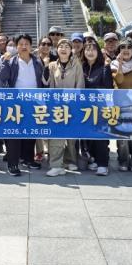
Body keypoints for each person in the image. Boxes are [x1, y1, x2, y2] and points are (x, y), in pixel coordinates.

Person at [0, 34, 44, 176]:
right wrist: (5, 62)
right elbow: (3, 77)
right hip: (15, 103)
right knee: (14, 134)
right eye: (21, 44)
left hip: (33, 102)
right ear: (16, 47)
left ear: (31, 46)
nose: (24, 47)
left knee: (30, 133)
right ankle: (13, 164)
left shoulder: (37, 62)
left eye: (26, 44)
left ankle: (28, 159)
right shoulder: (11, 61)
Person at [42, 38, 85, 176]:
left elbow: (80, 85)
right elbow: (47, 83)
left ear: (71, 50)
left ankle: (70, 160)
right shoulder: (52, 65)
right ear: (57, 50)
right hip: (57, 106)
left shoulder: (77, 64)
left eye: (67, 46)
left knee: (72, 137)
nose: (64, 49)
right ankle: (56, 165)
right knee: (57, 135)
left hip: (72, 105)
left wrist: (77, 103)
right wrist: (45, 66)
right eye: (61, 46)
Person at [82, 42, 113, 175]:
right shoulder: (81, 67)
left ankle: (103, 164)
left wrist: (107, 66)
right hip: (85, 108)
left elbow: (108, 87)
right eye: (87, 50)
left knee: (100, 136)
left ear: (98, 52)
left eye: (93, 49)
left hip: (100, 108)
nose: (90, 52)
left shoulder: (104, 67)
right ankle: (93, 159)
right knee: (88, 135)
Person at [112, 39, 132, 172]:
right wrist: (120, 64)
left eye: (129, 47)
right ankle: (123, 160)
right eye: (122, 47)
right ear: (118, 51)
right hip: (120, 104)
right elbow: (119, 80)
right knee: (122, 136)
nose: (126, 50)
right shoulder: (113, 65)